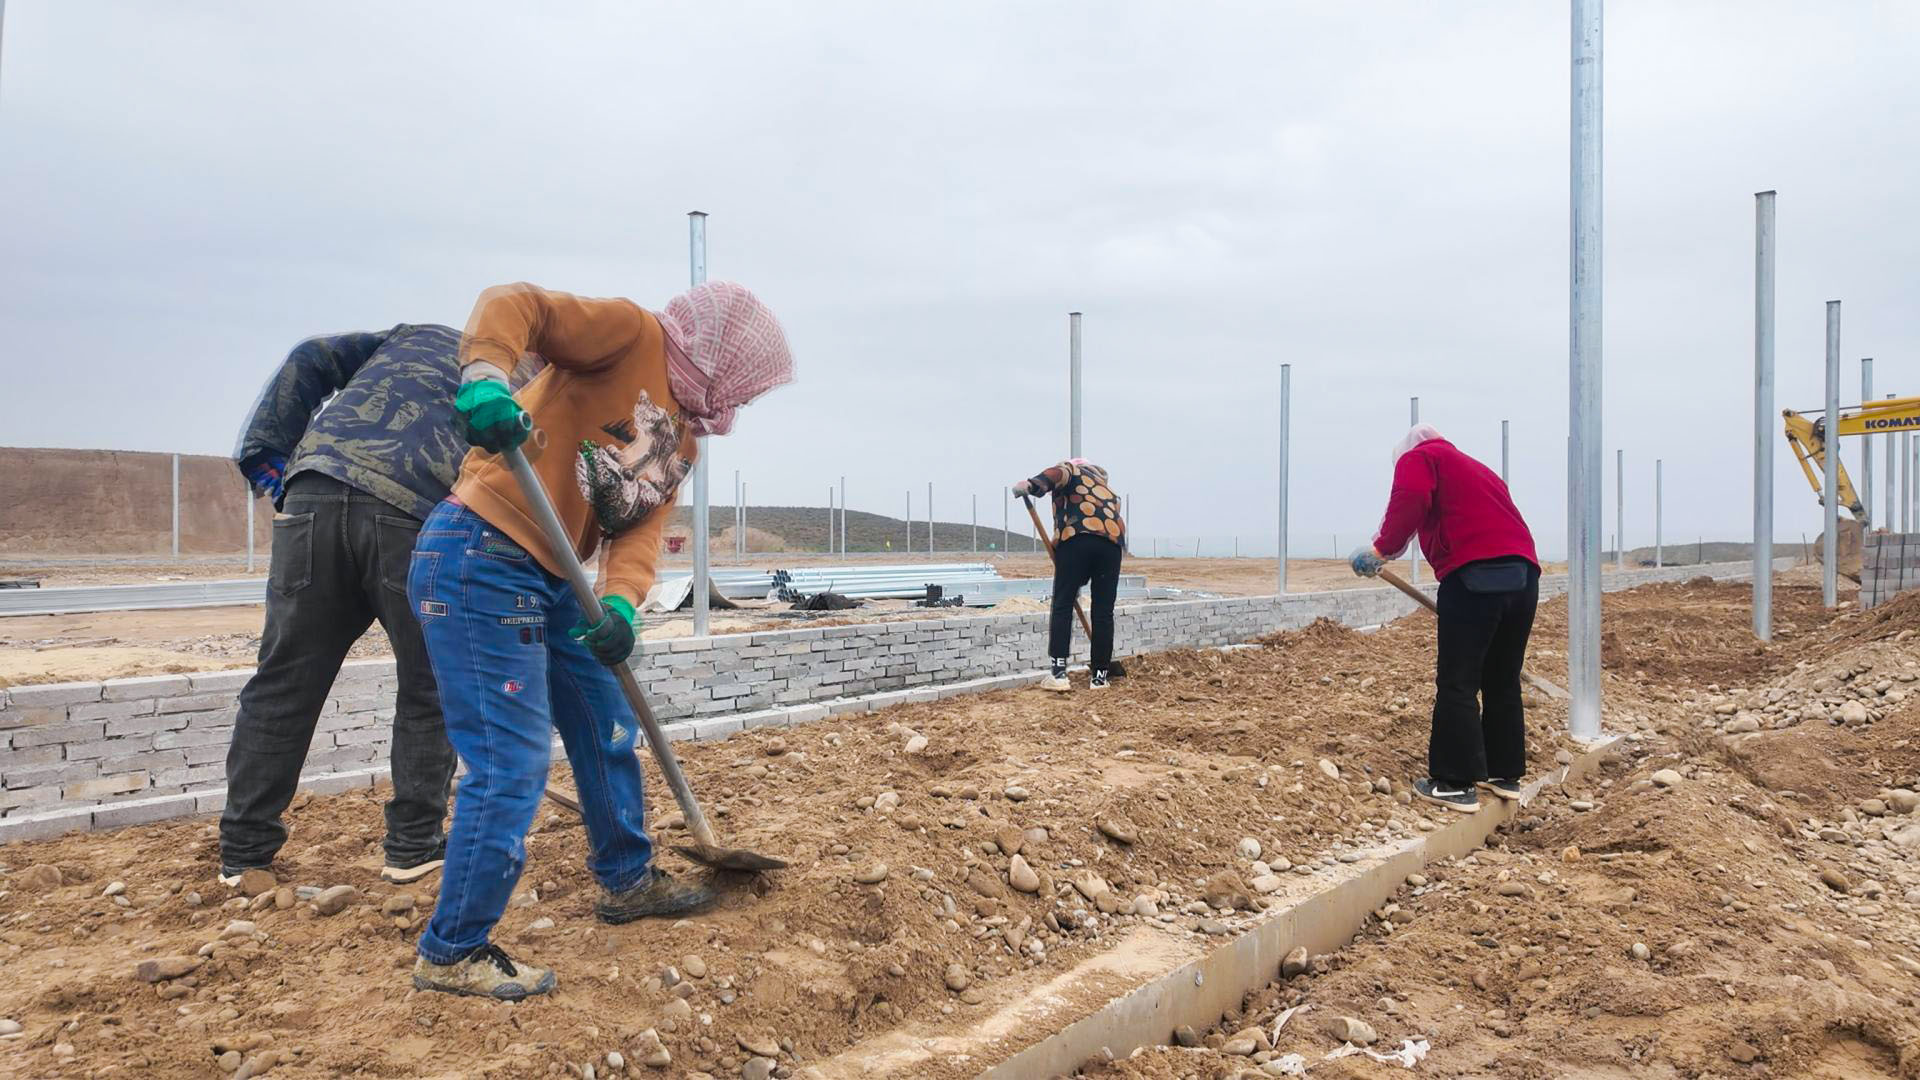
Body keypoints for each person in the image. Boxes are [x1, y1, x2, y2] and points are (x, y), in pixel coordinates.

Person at [409, 281, 794, 1000]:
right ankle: (452, 948)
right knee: (510, 761)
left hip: (557, 576)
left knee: (605, 721)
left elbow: (640, 527)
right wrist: (486, 375)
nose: (742, 395)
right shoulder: (631, 334)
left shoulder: (683, 437)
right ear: (722, 350)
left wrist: (619, 602)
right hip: (480, 553)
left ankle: (627, 879)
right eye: (745, 378)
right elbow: (518, 304)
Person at [222, 324, 499, 887]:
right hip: (414, 511)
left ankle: (243, 853)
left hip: (314, 490)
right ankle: (413, 847)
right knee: (430, 687)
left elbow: (310, 354)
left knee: (284, 683)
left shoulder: (413, 336)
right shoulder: (525, 383)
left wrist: (270, 451)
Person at [1349, 424, 1539, 814]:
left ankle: (1454, 783)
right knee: (1502, 678)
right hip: (1523, 578)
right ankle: (1504, 775)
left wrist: (1381, 550)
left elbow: (1411, 499)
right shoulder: (1476, 468)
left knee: (1458, 680)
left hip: (1474, 577)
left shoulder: (1419, 458)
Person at [1011, 458, 1125, 691]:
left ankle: (1059, 674)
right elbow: (1099, 524)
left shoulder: (1072, 470)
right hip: (1111, 548)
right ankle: (1100, 677)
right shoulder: (1109, 491)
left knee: (1063, 603)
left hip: (1077, 541)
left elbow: (1058, 474)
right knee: (1104, 612)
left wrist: (1032, 485)